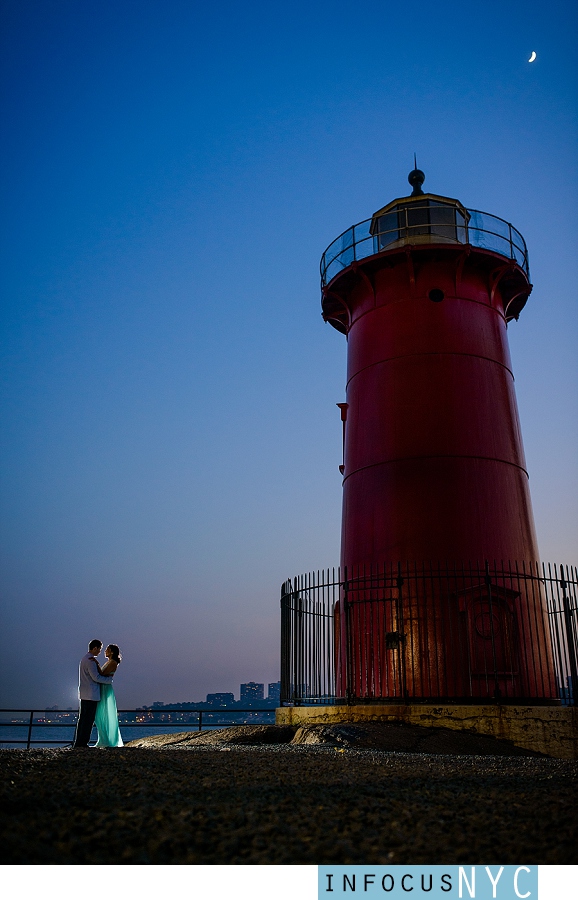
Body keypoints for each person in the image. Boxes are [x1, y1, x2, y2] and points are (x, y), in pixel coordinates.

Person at [72, 640, 113, 748]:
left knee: (83, 719)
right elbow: (96, 677)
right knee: (88, 720)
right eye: (99, 648)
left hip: (84, 694)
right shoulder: (90, 661)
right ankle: (83, 743)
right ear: (95, 648)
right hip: (91, 694)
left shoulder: (84, 659)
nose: (100, 651)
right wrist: (109, 680)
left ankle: (79, 742)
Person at [94, 644, 124, 748]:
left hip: (105, 688)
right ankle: (102, 738)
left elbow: (102, 674)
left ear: (111, 652)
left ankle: (107, 740)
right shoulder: (109, 662)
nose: (105, 651)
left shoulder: (112, 663)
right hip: (103, 687)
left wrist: (95, 665)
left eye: (107, 650)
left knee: (103, 712)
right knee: (100, 714)